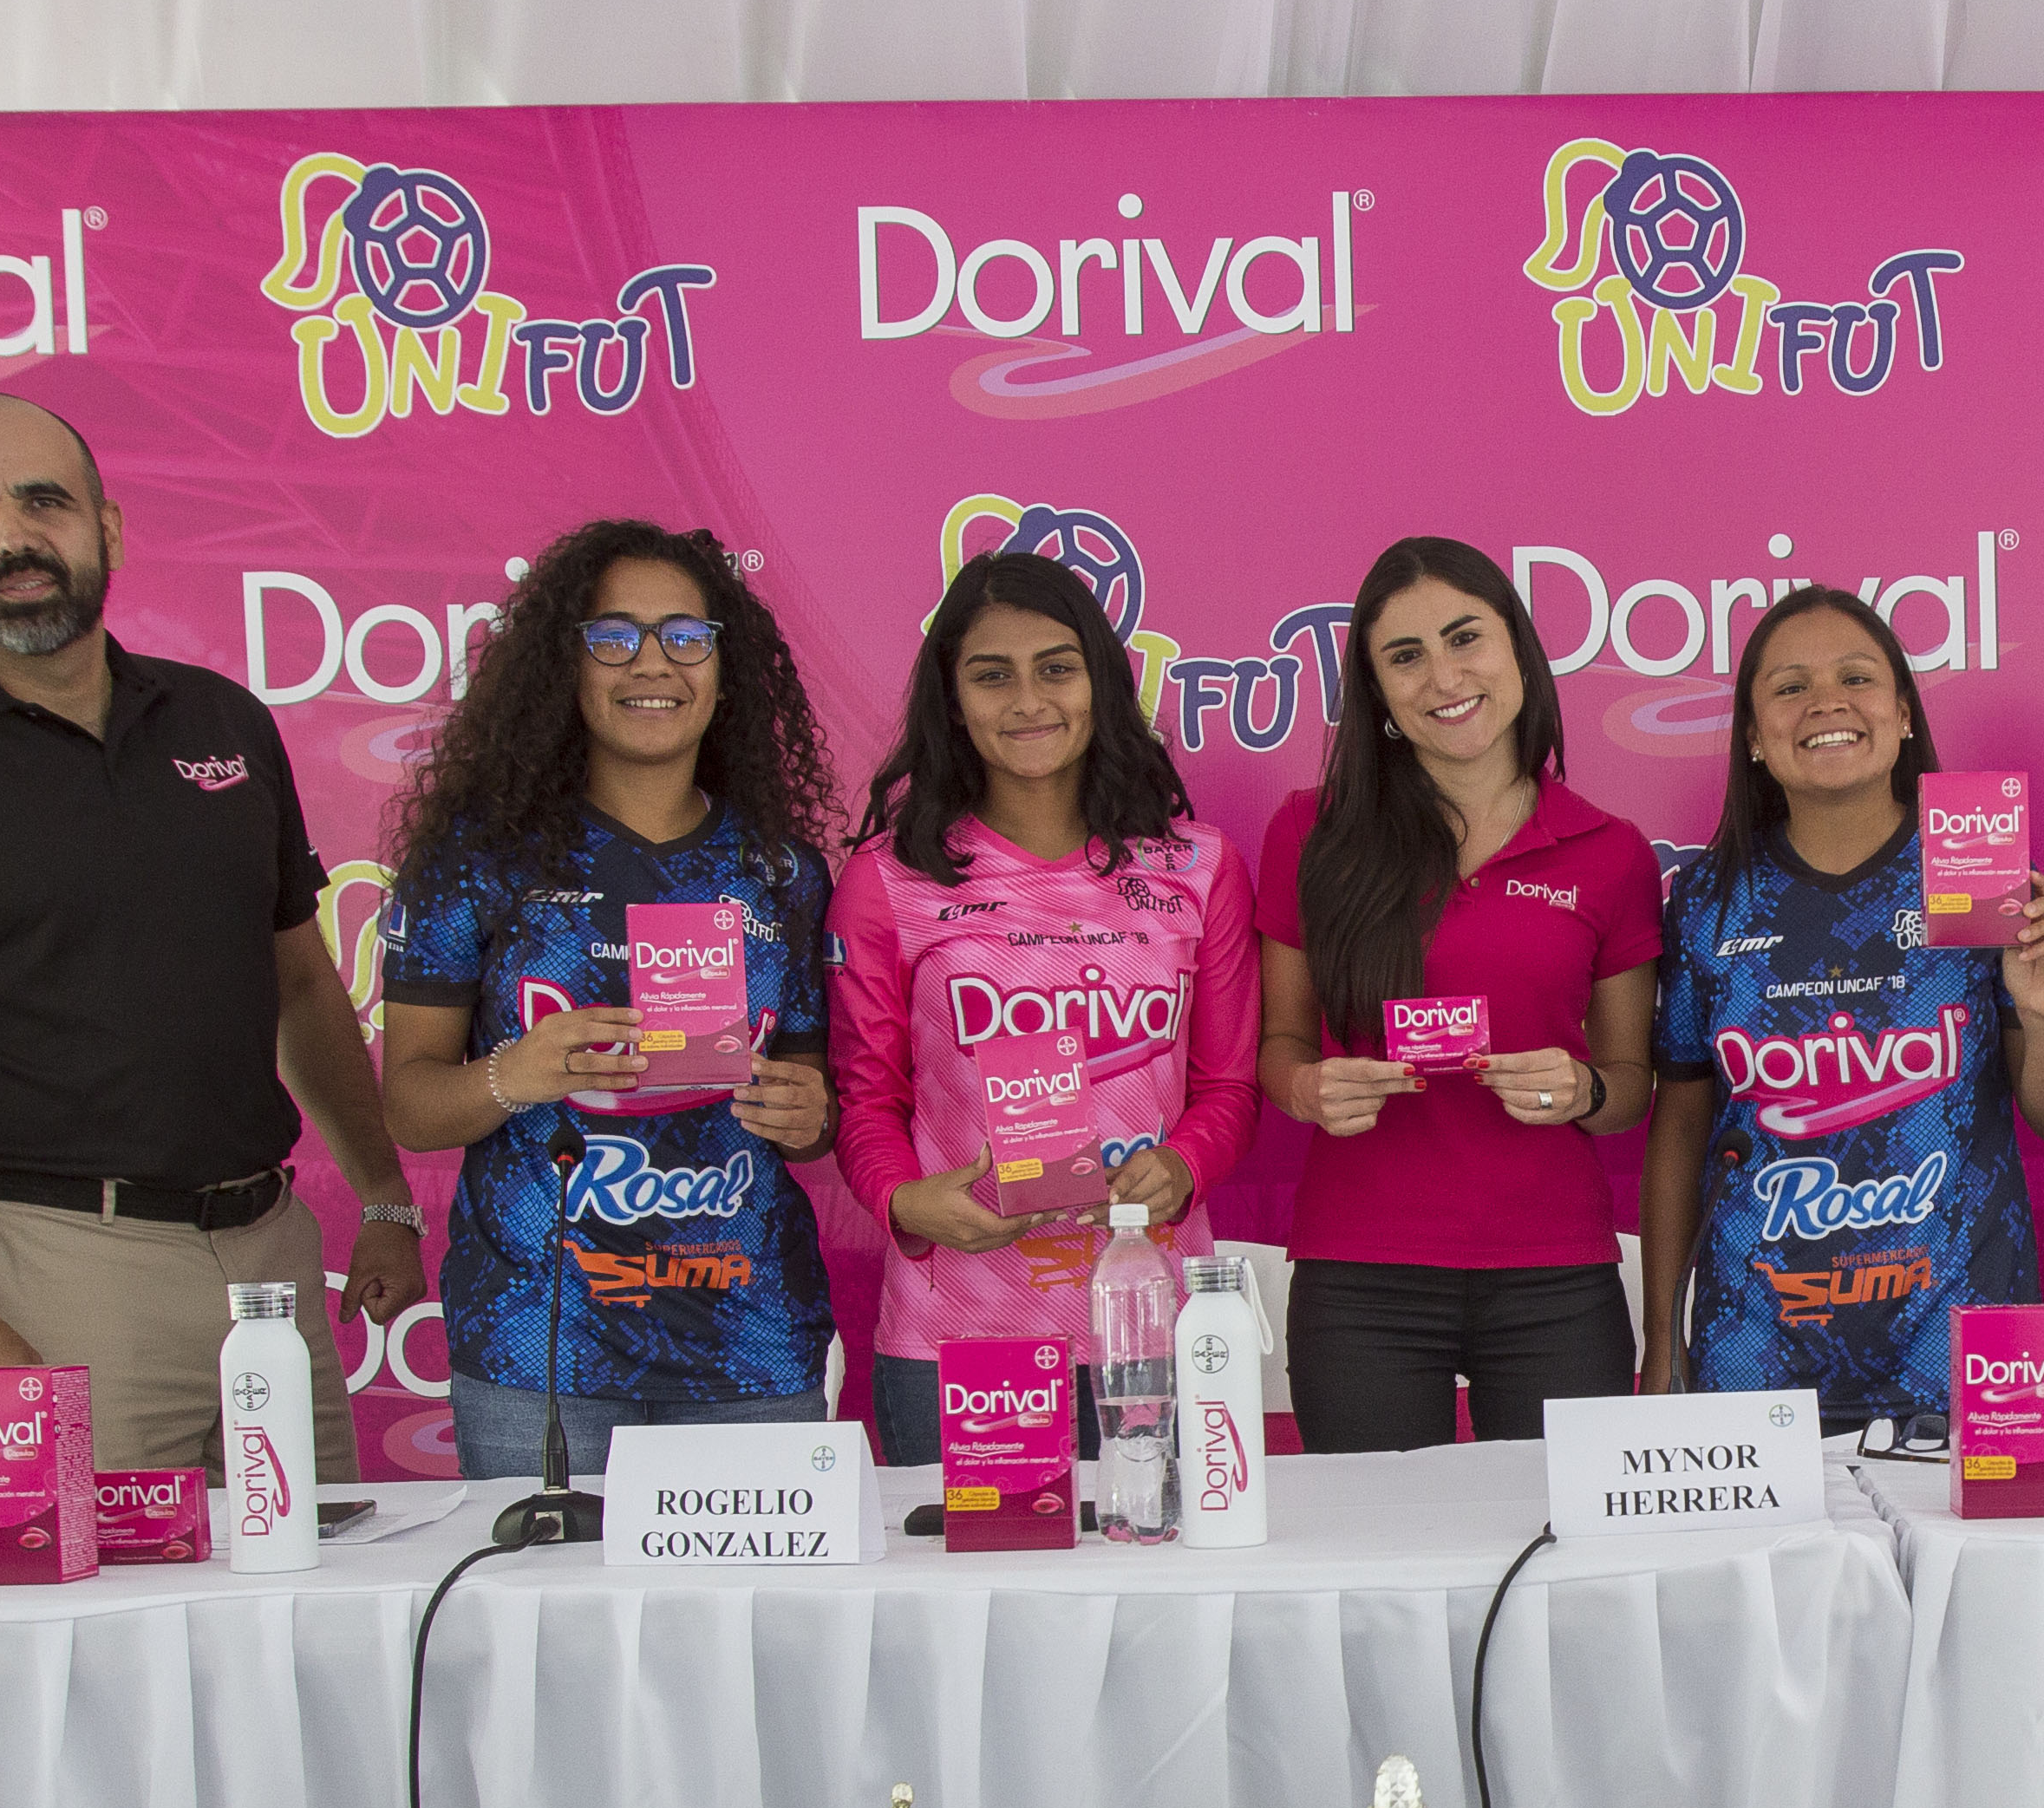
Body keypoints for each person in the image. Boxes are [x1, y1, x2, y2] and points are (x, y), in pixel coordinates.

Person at [0, 395, 417, 1472]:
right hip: (54, 1272)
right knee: (87, 1628)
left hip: (270, 1257)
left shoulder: (224, 722)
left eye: (43, 500)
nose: (13, 535)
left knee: (316, 1621)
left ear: (107, 529)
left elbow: (303, 989)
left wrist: (385, 1195)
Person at [375, 521, 839, 1477]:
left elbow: (811, 1095)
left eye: (686, 636)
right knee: (544, 1631)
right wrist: (520, 1070)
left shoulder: (780, 873)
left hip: (748, 1347)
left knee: (743, 1634)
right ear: (567, 665)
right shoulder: (478, 862)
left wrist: (810, 1114)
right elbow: (412, 1106)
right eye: (613, 636)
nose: (653, 663)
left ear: (724, 667)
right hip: (538, 1347)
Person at [833, 548, 1258, 1465]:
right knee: (963, 1611)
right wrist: (905, 1200)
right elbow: (866, 1100)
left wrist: (1182, 1166)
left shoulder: (1198, 869)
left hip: (1151, 1322)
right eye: (992, 676)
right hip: (959, 1327)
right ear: (953, 700)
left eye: (1056, 668)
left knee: (1161, 1596)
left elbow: (1229, 1087)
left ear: (1100, 683)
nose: (1028, 700)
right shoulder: (888, 881)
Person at [1641, 586, 2044, 1413]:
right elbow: (1679, 1132)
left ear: (1905, 715)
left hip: (1968, 1346)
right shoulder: (1706, 900)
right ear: (1751, 736)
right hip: (1756, 1345)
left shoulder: (1975, 871)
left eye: (1857, 678)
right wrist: (1662, 1346)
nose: (1826, 705)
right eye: (1788, 688)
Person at [1257, 537, 1659, 1451]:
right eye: (1405, 656)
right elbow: (1279, 1045)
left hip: (1556, 1276)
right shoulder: (1309, 832)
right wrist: (1309, 1089)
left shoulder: (1611, 851)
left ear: (1517, 647)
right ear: (1378, 691)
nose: (1444, 676)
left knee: (1563, 1569)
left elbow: (1629, 1083)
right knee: (1378, 1571)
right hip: (1361, 1275)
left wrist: (1582, 1090)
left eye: (1465, 637)